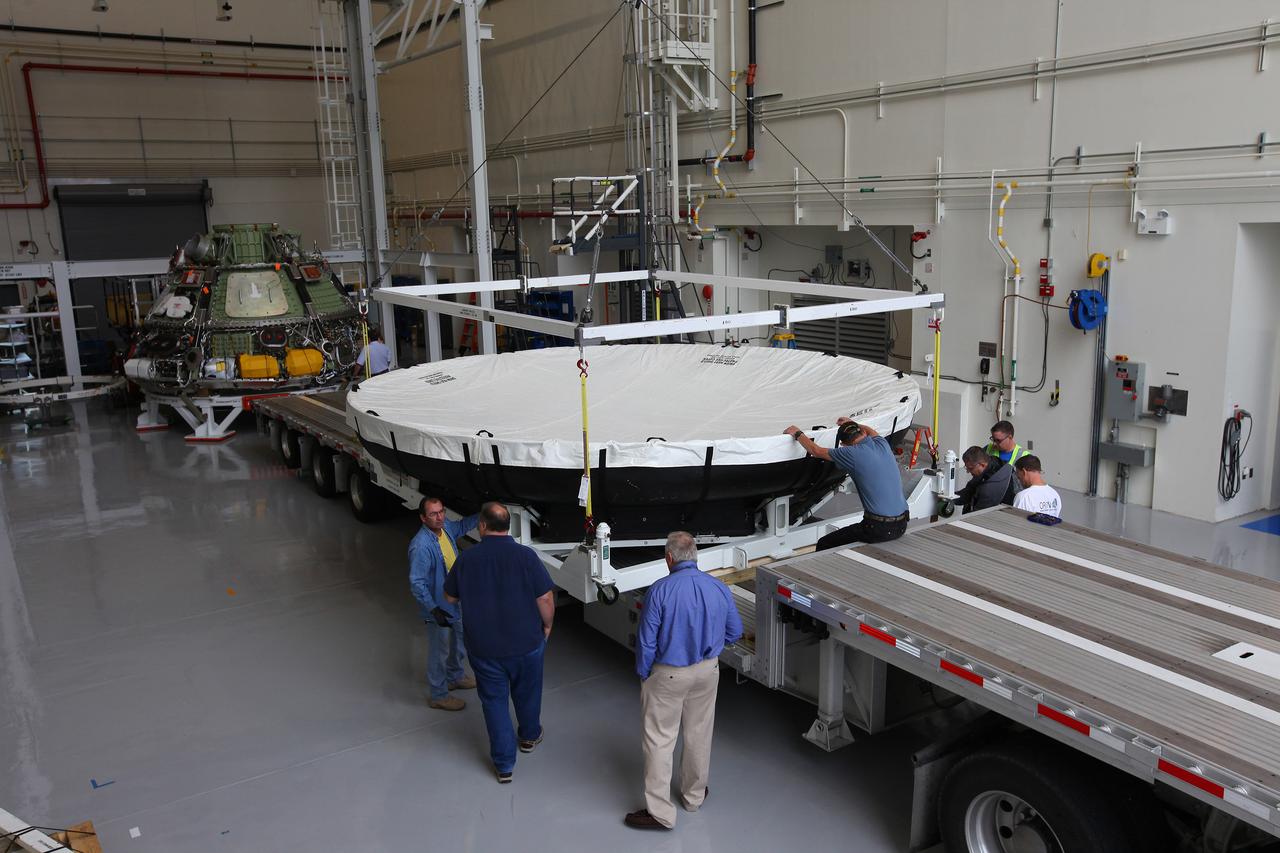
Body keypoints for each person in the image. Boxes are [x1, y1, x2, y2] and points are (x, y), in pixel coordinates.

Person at [625, 532, 744, 831]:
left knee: (660, 739)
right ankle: (693, 796)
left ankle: (661, 813)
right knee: (699, 733)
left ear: (669, 558)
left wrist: (643, 673)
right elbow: (735, 631)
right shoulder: (718, 587)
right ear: (695, 556)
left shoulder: (659, 591)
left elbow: (647, 641)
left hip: (668, 674)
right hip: (707, 671)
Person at [444, 502, 555, 784]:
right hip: (526, 644)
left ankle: (504, 765)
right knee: (528, 692)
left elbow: (450, 599)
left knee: (493, 702)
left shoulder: (467, 559)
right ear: (508, 526)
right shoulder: (526, 557)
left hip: (484, 648)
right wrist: (547, 624)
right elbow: (545, 598)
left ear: (482, 525)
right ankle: (529, 737)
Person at [784, 418, 909, 551]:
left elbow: (816, 451)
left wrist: (797, 433)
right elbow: (871, 431)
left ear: (844, 444)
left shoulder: (851, 453)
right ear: (863, 433)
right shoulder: (882, 444)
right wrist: (853, 423)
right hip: (902, 524)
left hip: (879, 528)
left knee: (824, 544)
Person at [409, 497, 478, 712]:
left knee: (459, 638)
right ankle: (438, 695)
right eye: (433, 514)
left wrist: (484, 513)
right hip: (438, 606)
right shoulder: (421, 546)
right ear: (423, 518)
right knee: (439, 651)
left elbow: (462, 525)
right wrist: (433, 609)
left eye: (441, 512)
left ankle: (455, 675)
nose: (439, 517)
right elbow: (417, 583)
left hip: (454, 599)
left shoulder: (445, 527)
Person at [956, 446, 1020, 513]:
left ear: (982, 465)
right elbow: (969, 491)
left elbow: (977, 515)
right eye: (966, 467)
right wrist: (950, 498)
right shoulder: (993, 465)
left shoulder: (991, 486)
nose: (968, 471)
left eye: (971, 468)